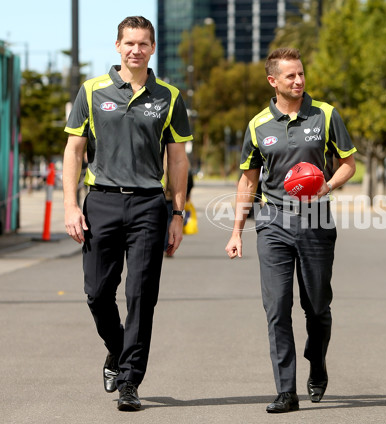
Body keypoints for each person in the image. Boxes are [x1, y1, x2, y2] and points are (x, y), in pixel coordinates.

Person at [62, 16, 192, 411]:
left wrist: (177, 214)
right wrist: (70, 205)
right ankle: (118, 351)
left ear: (153, 48)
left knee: (140, 295)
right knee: (97, 293)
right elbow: (74, 151)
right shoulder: (92, 91)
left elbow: (178, 159)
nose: (136, 50)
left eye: (144, 44)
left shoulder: (169, 96)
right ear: (118, 46)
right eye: (129, 43)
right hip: (100, 201)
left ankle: (130, 382)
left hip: (149, 206)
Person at [225, 47, 356, 413]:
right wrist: (236, 231)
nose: (298, 81)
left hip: (316, 221)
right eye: (290, 76)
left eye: (301, 74)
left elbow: (348, 165)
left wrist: (326, 185)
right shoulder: (257, 125)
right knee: (277, 308)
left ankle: (317, 359)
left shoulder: (325, 114)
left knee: (316, 307)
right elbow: (248, 179)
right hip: (272, 224)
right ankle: (286, 390)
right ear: (273, 81)